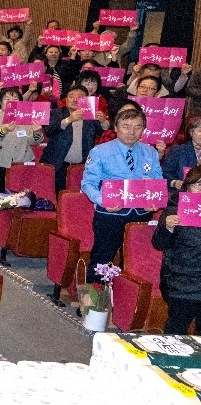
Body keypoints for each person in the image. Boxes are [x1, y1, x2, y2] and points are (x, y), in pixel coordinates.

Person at [80, 105, 163, 283]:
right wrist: (102, 200)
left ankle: (123, 302)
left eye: (137, 127)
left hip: (141, 213)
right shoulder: (99, 152)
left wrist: (155, 201)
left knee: (134, 261)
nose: (131, 132)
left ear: (143, 129)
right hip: (110, 214)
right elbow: (88, 184)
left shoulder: (150, 152)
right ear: (116, 128)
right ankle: (94, 304)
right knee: (102, 259)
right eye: (126, 126)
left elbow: (156, 181)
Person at [0, 88, 44, 240]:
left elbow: (35, 140)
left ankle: (8, 236)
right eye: (7, 99)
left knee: (16, 200)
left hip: (19, 165)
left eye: (15, 99)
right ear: (1, 103)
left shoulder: (26, 118)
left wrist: (37, 131)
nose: (11, 102)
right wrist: (3, 130)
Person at [151, 166, 201, 334]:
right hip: (181, 282)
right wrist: (168, 227)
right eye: (198, 184)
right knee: (175, 334)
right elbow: (158, 243)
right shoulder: (174, 209)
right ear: (187, 187)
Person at [42, 87, 104, 193]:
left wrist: (104, 122)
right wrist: (68, 120)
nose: (75, 100)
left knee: (77, 200)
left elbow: (103, 132)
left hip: (82, 167)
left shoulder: (91, 115)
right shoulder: (56, 113)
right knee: (55, 197)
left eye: (80, 97)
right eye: (71, 96)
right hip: (58, 165)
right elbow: (49, 130)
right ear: (65, 98)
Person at [162, 117, 201, 190]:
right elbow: (164, 173)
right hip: (182, 195)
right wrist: (174, 182)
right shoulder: (178, 150)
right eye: (200, 131)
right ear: (191, 132)